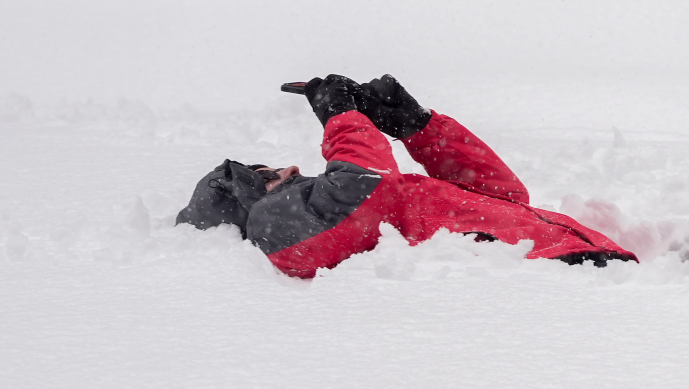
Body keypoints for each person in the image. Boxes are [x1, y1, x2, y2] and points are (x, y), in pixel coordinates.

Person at [176, 74, 637, 277]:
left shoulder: (344, 202)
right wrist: (341, 117)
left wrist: (418, 127)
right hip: (562, 278)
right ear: (244, 202)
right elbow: (362, 185)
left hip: (589, 261)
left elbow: (504, 198)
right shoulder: (272, 226)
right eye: (268, 174)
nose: (290, 167)